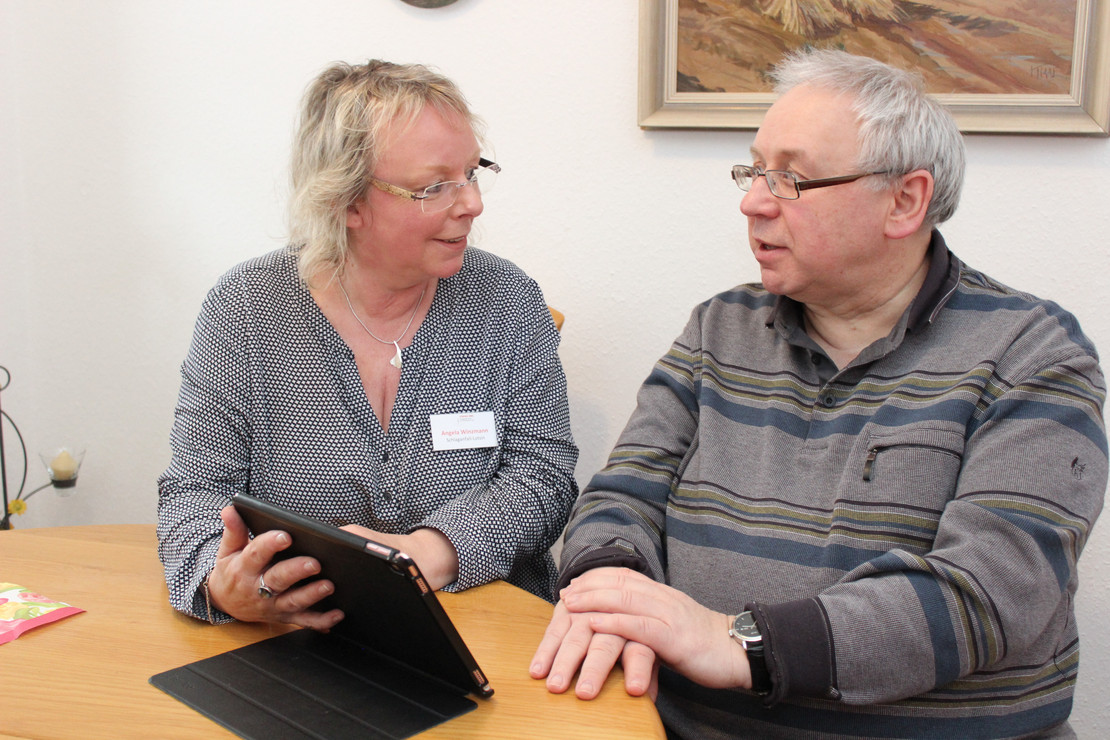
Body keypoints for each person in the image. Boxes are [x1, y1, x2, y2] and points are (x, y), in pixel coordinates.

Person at [531, 49, 1106, 738]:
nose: (753, 201)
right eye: (753, 170)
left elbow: (992, 592)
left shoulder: (1032, 351)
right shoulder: (721, 327)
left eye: (792, 179)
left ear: (905, 200)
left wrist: (739, 643)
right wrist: (611, 590)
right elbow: (623, 495)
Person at [158, 60, 578, 630]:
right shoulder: (247, 310)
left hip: (487, 629)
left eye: (472, 173)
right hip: (304, 641)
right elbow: (195, 493)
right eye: (435, 187)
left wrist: (434, 551)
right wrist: (223, 579)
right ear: (347, 202)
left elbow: (544, 477)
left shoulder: (507, 302)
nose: (472, 204)